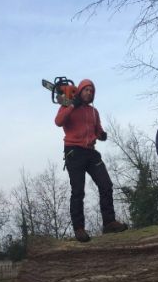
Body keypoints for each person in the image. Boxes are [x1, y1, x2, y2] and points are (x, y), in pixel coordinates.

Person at [54, 79, 127, 242]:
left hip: (91, 151)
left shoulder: (94, 112)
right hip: (74, 150)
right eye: (86, 90)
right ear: (79, 91)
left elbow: (98, 130)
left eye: (91, 91)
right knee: (78, 190)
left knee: (106, 184)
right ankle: (79, 228)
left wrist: (102, 135)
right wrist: (73, 104)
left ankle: (109, 222)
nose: (89, 93)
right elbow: (58, 122)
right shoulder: (68, 105)